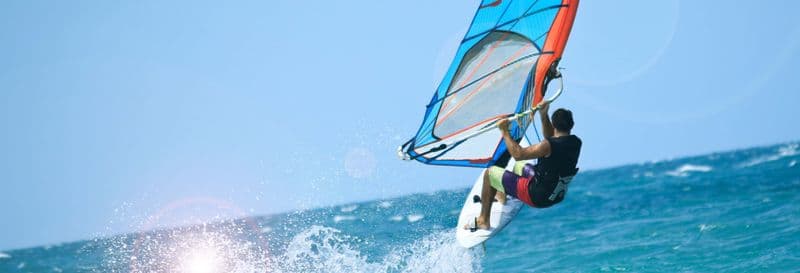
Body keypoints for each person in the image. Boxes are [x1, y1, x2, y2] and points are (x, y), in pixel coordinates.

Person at [465, 101, 582, 232]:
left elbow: (518, 154)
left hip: (537, 197)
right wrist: (544, 114)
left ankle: (483, 220)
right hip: (556, 195)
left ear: (554, 125)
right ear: (571, 125)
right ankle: (501, 195)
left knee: (490, 173)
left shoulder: (547, 146)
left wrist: (505, 132)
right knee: (519, 166)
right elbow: (553, 139)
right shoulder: (576, 142)